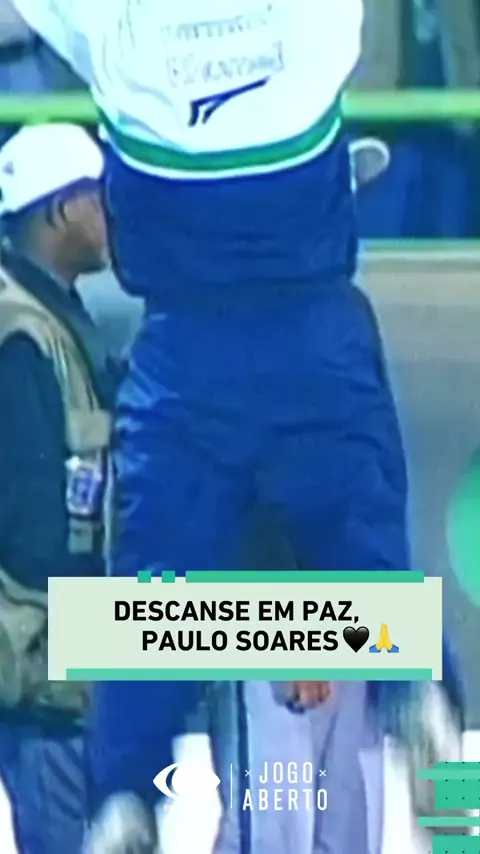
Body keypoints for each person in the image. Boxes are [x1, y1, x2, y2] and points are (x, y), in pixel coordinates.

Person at [10, 3, 464, 854]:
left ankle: (125, 797)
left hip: (192, 360)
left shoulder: (120, 35)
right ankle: (423, 706)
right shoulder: (312, 24)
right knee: (372, 544)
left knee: (151, 585)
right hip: (301, 625)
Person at [0, 122, 118, 854]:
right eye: (98, 198)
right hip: (45, 678)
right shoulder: (20, 331)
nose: (110, 214)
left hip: (65, 668)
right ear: (61, 208)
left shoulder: (51, 316)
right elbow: (32, 533)